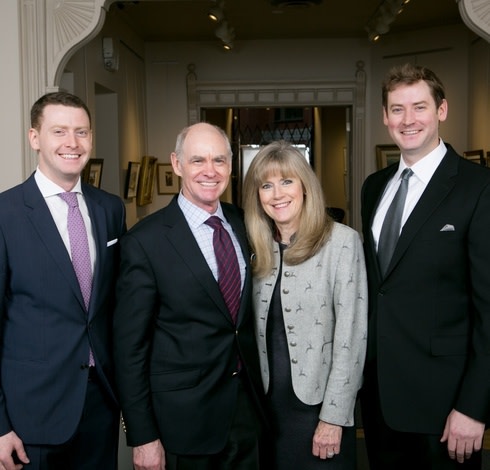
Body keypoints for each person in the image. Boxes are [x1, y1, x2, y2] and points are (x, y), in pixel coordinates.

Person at [113, 122, 265, 470]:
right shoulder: (144, 242)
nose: (210, 171)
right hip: (182, 423)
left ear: (230, 166)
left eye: (219, 160)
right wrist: (142, 436)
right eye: (198, 160)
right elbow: (129, 348)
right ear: (177, 164)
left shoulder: (246, 224)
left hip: (247, 412)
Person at [360, 63, 490, 469]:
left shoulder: (479, 187)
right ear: (385, 117)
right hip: (379, 398)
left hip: (446, 408)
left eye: (419, 107)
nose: (408, 119)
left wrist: (474, 407)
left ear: (442, 110)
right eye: (397, 109)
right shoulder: (373, 186)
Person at [0, 91, 126, 469]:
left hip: (100, 406)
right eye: (59, 132)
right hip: (29, 417)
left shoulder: (110, 209)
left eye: (82, 132)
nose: (72, 143)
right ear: (35, 138)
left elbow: (115, 306)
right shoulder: (6, 214)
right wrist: (0, 424)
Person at [242, 140, 368, 470]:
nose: (277, 194)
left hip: (318, 414)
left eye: (287, 181)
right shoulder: (253, 247)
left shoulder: (342, 242)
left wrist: (334, 418)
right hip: (267, 416)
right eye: (266, 185)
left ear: (305, 187)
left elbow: (352, 338)